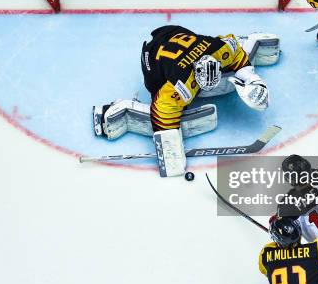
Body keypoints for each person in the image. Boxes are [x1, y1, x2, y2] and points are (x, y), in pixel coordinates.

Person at [93, 25, 279, 177]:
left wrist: (251, 78)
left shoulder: (218, 48)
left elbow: (234, 51)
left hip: (173, 32)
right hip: (152, 59)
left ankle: (251, 41)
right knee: (161, 97)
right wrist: (171, 152)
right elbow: (161, 110)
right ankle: (120, 108)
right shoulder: (180, 84)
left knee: (225, 79)